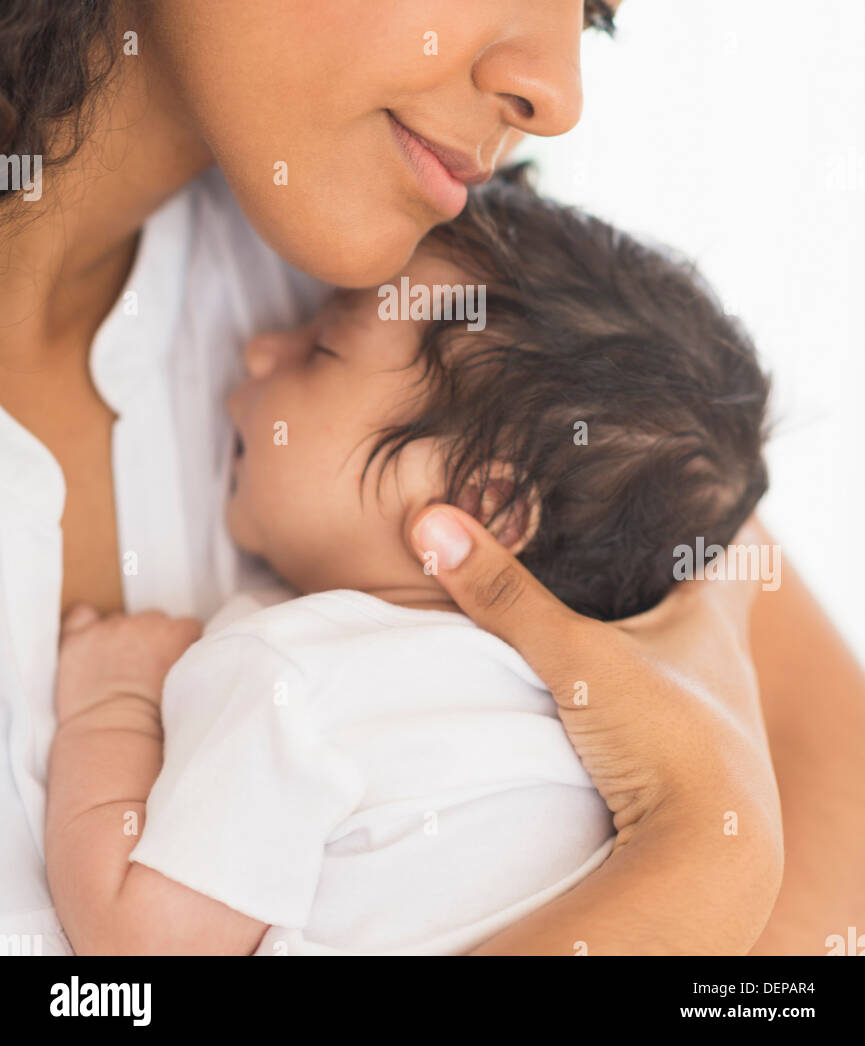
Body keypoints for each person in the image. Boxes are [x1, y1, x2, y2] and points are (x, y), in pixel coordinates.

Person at [1, 0, 863, 957]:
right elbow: (743, 840)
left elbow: (835, 792)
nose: (560, 90)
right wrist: (690, 858)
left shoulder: (413, 318)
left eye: (600, 9)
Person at [45, 169, 774, 955]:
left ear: (483, 509)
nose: (261, 350)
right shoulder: (593, 731)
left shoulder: (291, 674)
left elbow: (143, 947)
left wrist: (110, 705)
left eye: (321, 348)